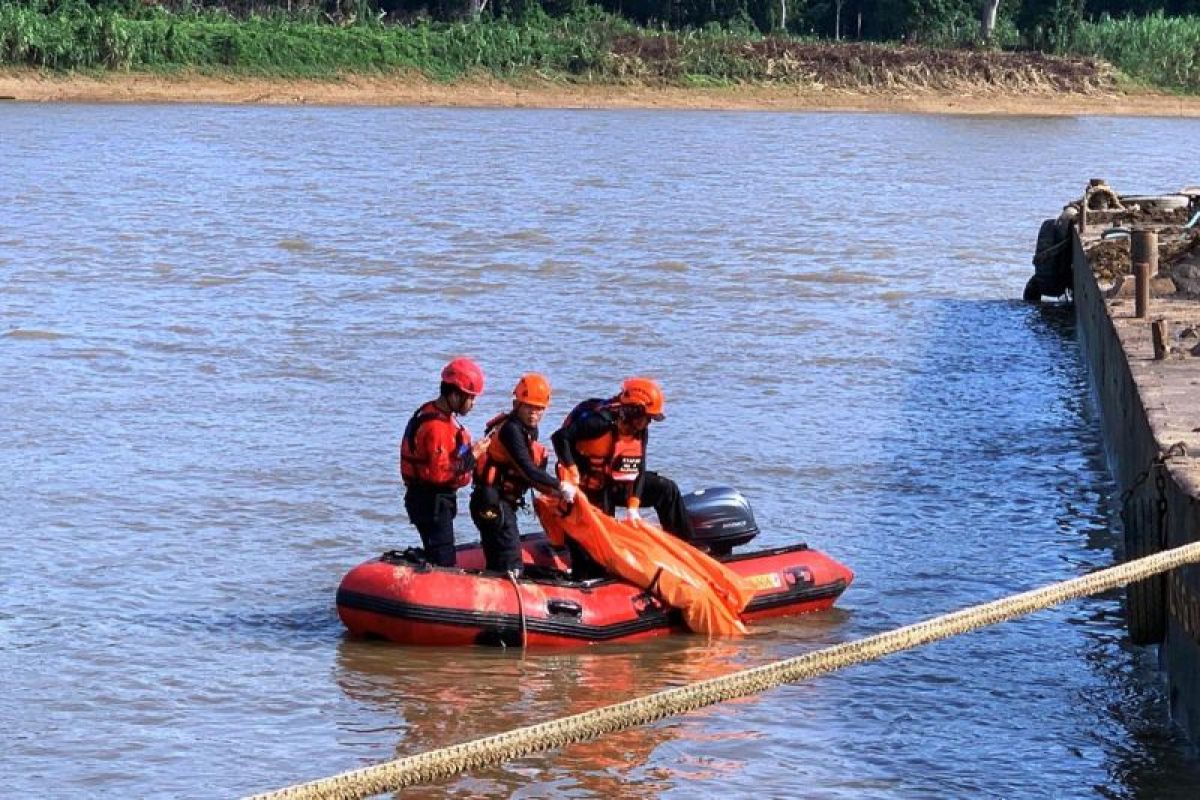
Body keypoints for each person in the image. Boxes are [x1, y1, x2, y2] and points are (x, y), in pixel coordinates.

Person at [550, 376, 694, 579]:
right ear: (634, 411)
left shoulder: (640, 429)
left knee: (666, 489)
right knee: (595, 558)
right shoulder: (598, 422)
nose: (648, 423)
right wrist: (571, 471)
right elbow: (559, 437)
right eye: (647, 418)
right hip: (587, 489)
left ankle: (685, 551)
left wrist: (633, 507)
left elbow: (639, 469)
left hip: (616, 483)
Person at [470, 373, 572, 576]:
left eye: (539, 409)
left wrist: (555, 491)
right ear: (517, 405)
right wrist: (560, 486)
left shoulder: (528, 430)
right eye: (529, 408)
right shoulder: (511, 430)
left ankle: (497, 583)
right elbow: (528, 469)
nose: (534, 414)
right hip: (491, 501)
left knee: (501, 556)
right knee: (509, 557)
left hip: (502, 501)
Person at [398, 357, 488, 568]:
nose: (473, 404)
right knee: (444, 561)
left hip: (427, 499)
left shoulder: (431, 411)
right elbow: (441, 474)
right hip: (432, 502)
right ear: (455, 395)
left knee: (438, 553)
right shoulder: (437, 427)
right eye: (470, 398)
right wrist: (473, 456)